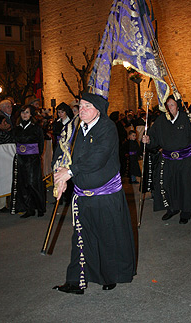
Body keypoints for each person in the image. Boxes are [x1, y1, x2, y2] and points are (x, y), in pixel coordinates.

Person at [52, 92, 135, 294]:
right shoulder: (75, 129)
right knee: (80, 237)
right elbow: (63, 154)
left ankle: (110, 276)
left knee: (107, 236)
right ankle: (75, 281)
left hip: (105, 195)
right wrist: (60, 178)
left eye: (87, 106)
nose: (82, 110)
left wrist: (69, 173)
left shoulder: (107, 128)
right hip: (81, 193)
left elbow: (97, 157)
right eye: (80, 106)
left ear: (98, 110)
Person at [142, 95, 191, 224]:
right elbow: (153, 138)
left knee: (185, 186)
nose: (169, 108)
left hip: (185, 159)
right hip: (167, 159)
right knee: (168, 185)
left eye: (172, 105)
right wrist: (148, 140)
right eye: (167, 106)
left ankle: (186, 211)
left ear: (177, 106)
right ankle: (172, 208)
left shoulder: (187, 119)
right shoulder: (160, 120)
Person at [11, 105, 46, 218]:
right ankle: (29, 209)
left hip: (32, 159)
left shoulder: (36, 128)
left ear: (31, 114)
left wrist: (35, 156)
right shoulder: (17, 127)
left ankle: (40, 207)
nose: (24, 115)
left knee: (33, 183)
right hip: (21, 159)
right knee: (23, 184)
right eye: (22, 112)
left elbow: (41, 144)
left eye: (27, 112)